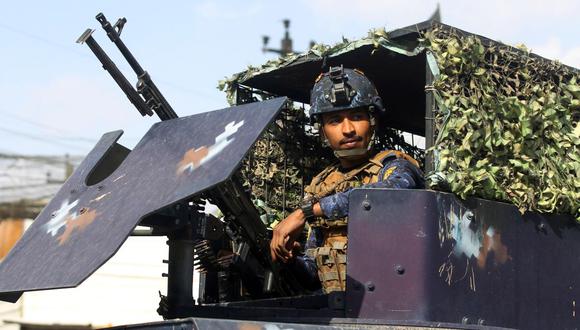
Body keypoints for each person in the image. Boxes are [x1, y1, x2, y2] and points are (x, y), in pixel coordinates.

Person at [270, 65, 424, 293]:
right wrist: (291, 259)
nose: (348, 129)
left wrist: (307, 212)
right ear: (322, 130)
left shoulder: (395, 168)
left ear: (372, 121)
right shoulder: (322, 185)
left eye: (357, 116)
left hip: (393, 303)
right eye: (334, 120)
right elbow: (316, 275)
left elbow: (387, 194)